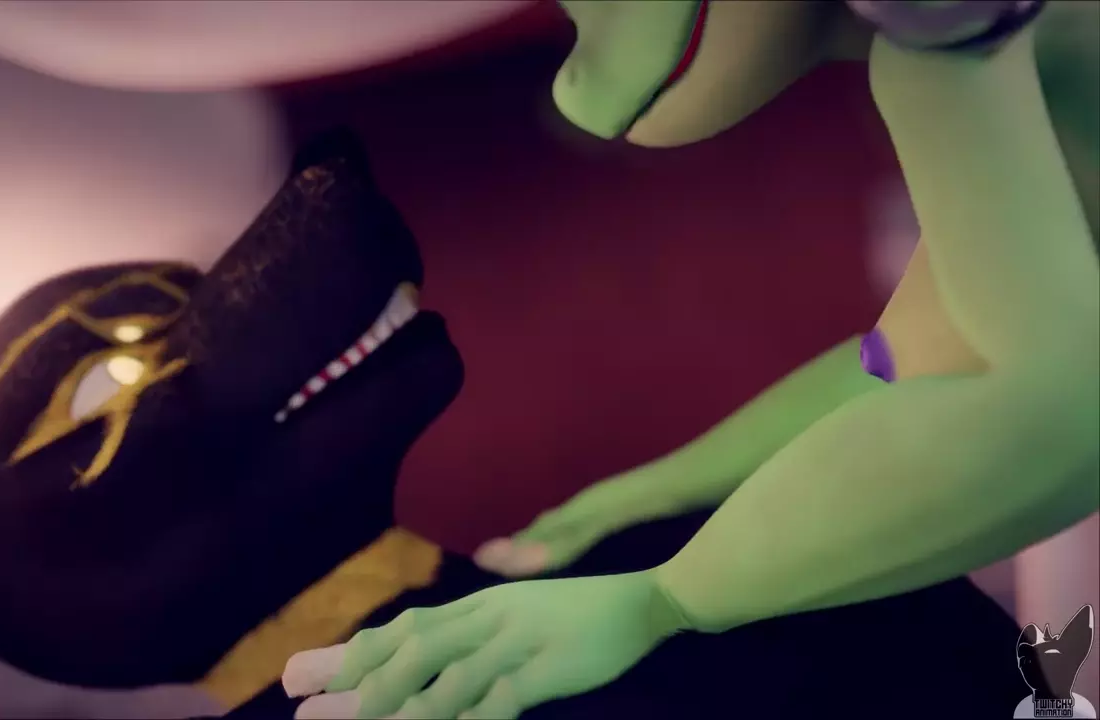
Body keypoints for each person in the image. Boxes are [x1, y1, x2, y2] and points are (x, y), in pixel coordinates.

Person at [283, 2, 1100, 718]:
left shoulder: (945, 54)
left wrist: (665, 600)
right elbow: (918, 361)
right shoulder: (972, 45)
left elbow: (1055, 410)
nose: (574, 84)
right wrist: (659, 491)